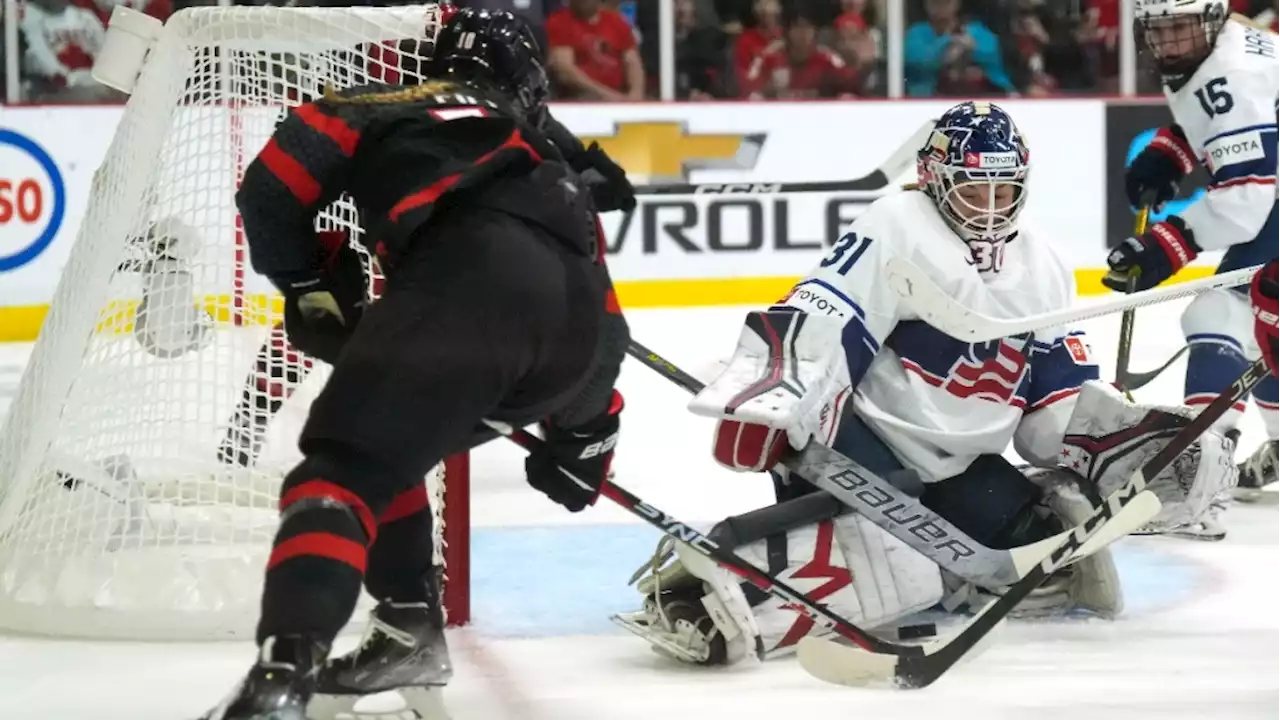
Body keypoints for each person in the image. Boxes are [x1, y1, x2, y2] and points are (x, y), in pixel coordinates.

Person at [613, 102, 1233, 666]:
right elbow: (824, 313)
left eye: (1003, 191)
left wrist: (1120, 443)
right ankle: (700, 598)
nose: (990, 210)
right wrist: (778, 399)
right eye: (973, 191)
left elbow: (1049, 405)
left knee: (1036, 558)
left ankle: (920, 560)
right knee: (894, 567)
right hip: (862, 445)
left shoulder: (1042, 265)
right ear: (936, 179)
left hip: (963, 462)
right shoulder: (896, 226)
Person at [199, 9, 630, 720]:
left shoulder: (371, 104)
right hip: (569, 335)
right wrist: (586, 437)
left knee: (341, 472)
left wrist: (309, 285)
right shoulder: (550, 164)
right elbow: (607, 329)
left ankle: (281, 683)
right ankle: (407, 627)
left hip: (466, 285)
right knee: (390, 445)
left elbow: (270, 189)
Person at [1104, 0, 1279, 513]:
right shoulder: (1221, 50)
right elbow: (1215, 121)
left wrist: (1165, 246)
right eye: (1161, 30)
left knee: (1221, 314)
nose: (1172, 42)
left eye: (1182, 26)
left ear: (1210, 20)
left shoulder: (1233, 72)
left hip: (1269, 203)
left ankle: (1199, 481)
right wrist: (1170, 154)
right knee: (1262, 320)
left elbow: (1246, 200)